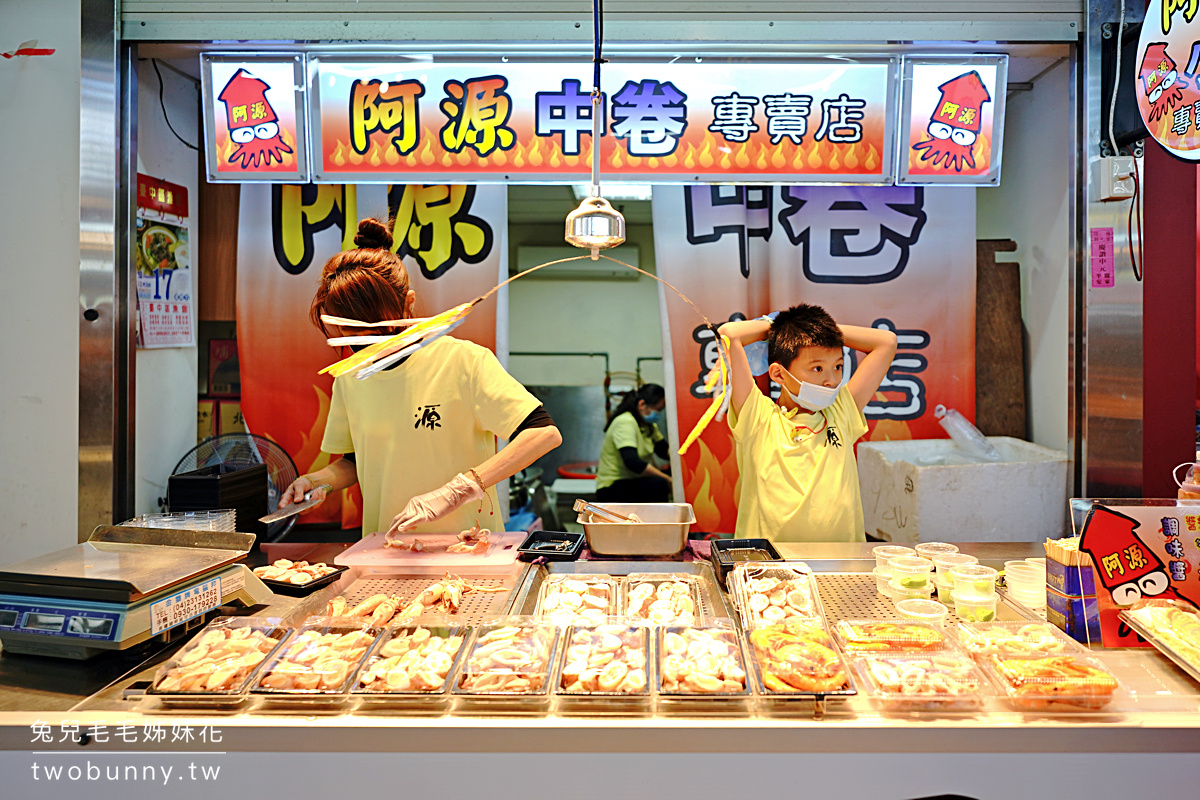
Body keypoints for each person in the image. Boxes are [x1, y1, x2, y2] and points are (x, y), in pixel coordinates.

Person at [280, 217, 562, 536]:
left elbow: (543, 434)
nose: (364, 348)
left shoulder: (464, 361)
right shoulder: (350, 378)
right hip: (387, 550)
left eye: (374, 331)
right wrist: (315, 482)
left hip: (467, 548)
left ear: (408, 305)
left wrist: (462, 487)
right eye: (349, 333)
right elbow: (354, 461)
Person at [719, 304, 897, 542]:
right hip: (767, 567)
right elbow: (730, 334)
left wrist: (818, 328)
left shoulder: (841, 411)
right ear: (779, 374)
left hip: (840, 565)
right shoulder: (758, 417)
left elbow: (886, 342)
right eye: (818, 368)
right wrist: (780, 326)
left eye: (838, 366)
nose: (831, 380)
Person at [595, 384, 672, 503]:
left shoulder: (648, 426)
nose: (659, 414)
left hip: (633, 481)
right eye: (658, 409)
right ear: (642, 405)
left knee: (669, 476)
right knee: (659, 484)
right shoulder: (625, 422)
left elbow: (663, 449)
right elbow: (633, 462)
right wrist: (667, 479)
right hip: (612, 487)